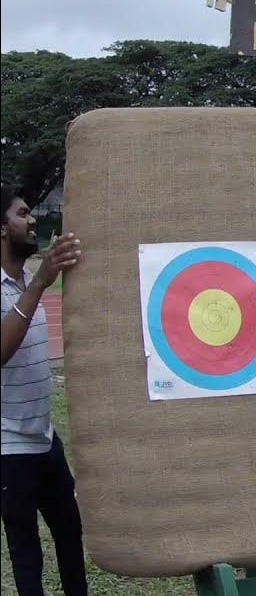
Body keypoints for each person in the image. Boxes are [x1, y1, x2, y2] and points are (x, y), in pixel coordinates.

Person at [1, 185, 88, 596]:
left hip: (45, 438)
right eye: (22, 213)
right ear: (2, 228)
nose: (32, 218)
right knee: (27, 555)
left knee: (71, 536)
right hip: (7, 447)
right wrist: (40, 280)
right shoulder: (24, 286)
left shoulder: (23, 282)